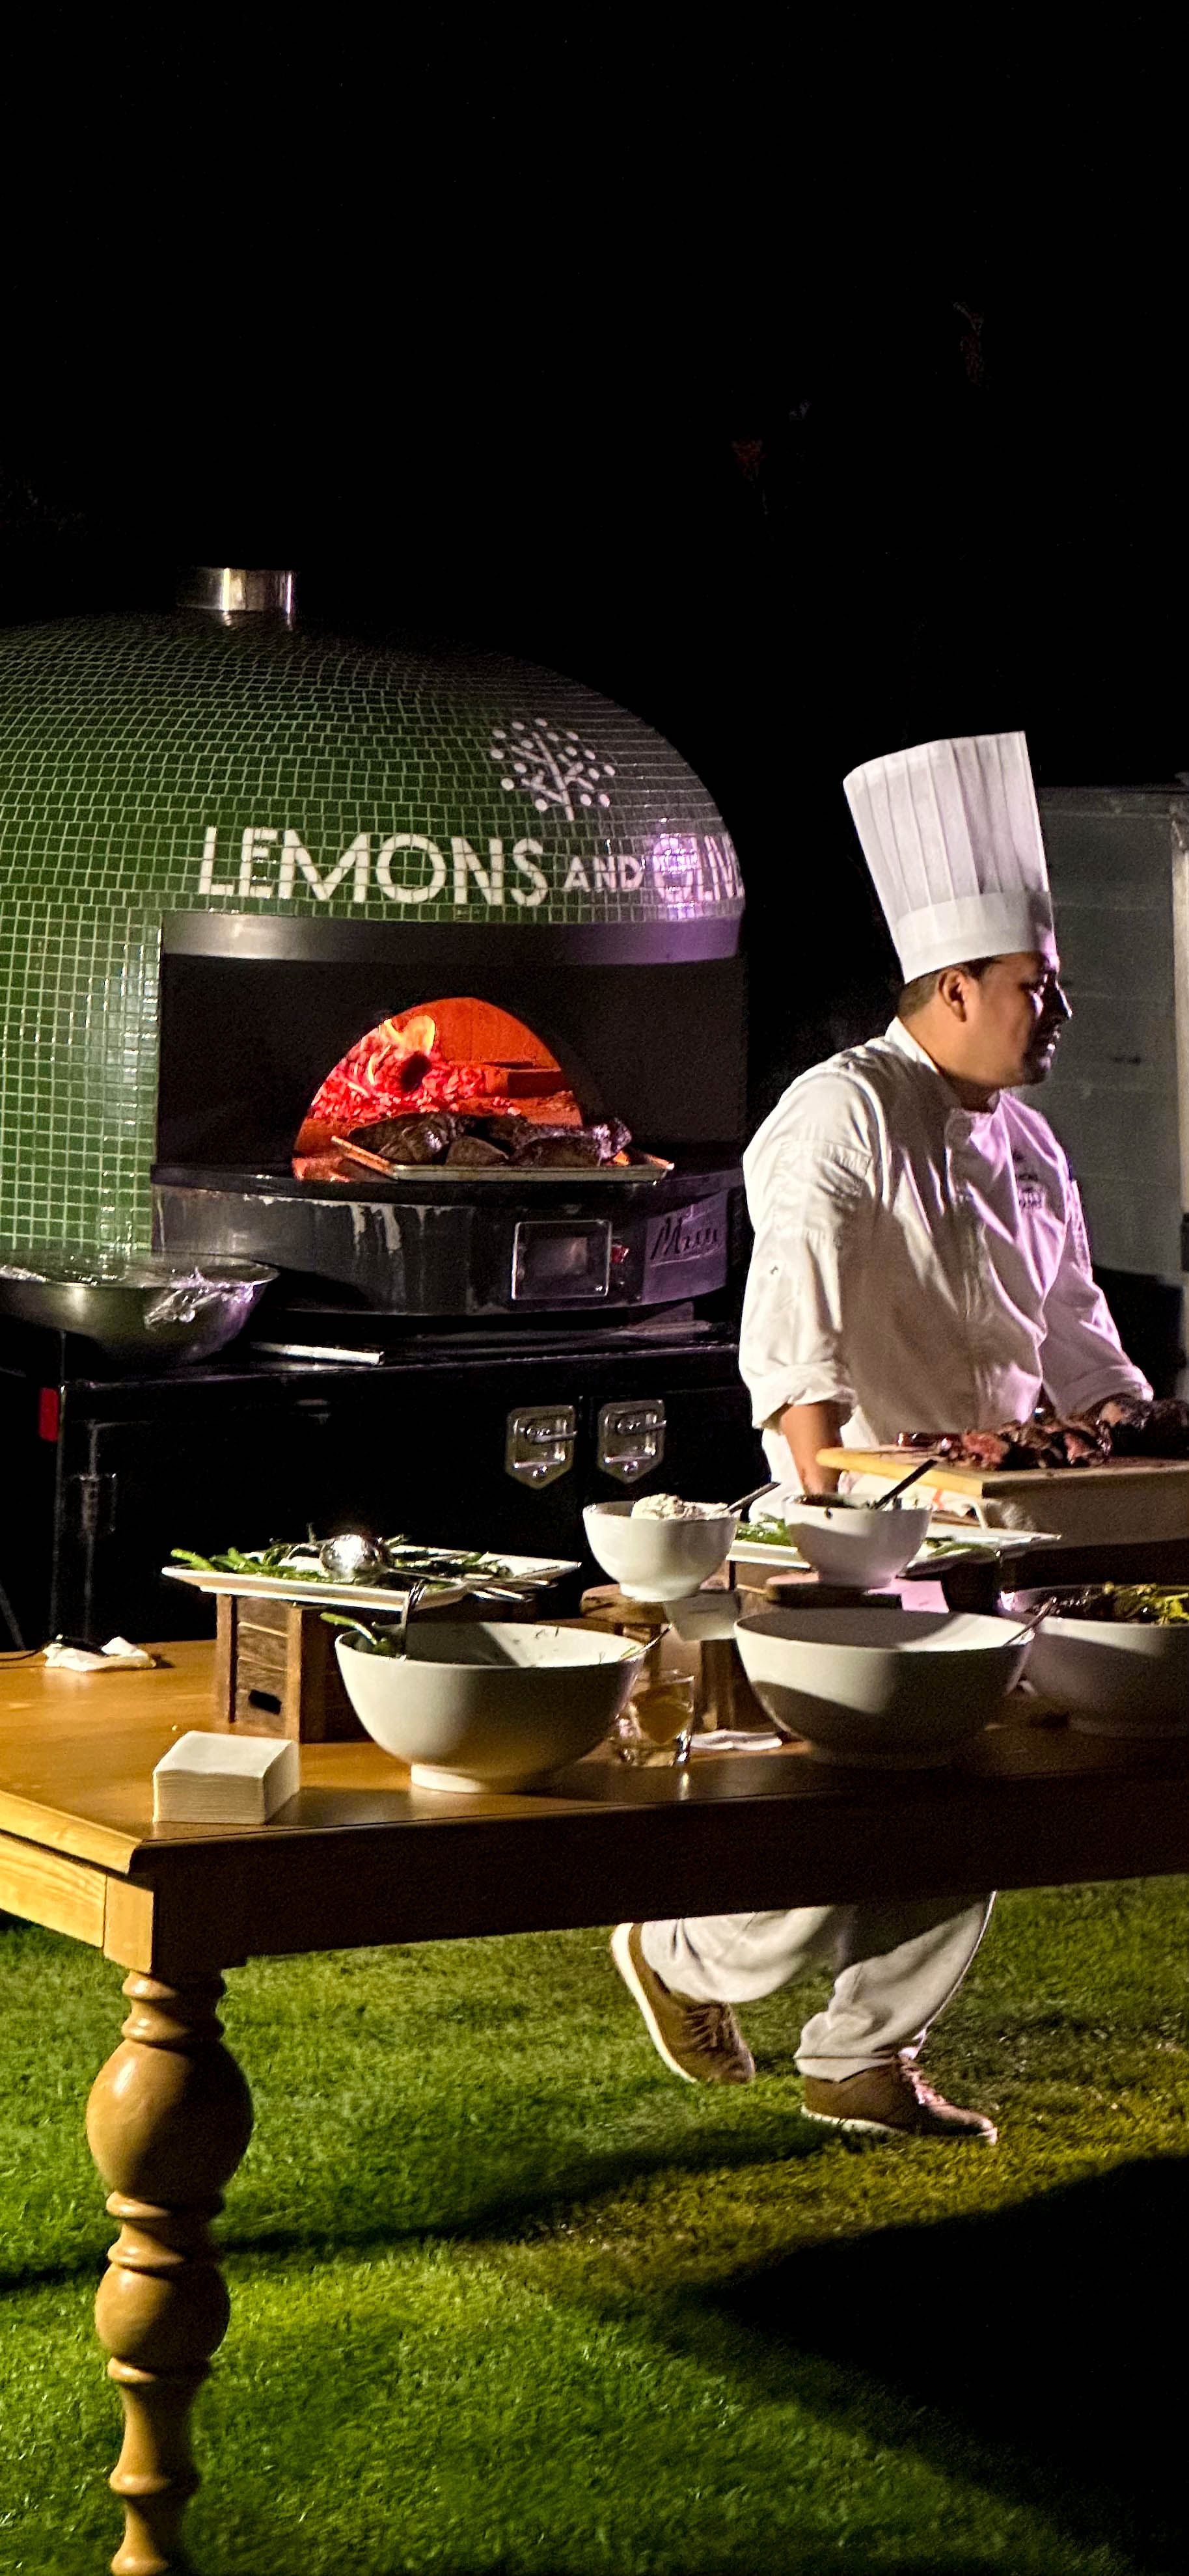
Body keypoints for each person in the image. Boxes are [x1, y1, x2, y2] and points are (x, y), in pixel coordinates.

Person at [612, 729, 1153, 2143]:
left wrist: (1115, 1417)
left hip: (995, 1524)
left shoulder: (1027, 1144)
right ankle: (680, 1952)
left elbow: (1078, 1336)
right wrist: (824, 1508)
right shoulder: (838, 1112)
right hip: (860, 1515)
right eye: (1036, 989)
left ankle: (861, 2057)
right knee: (867, 1797)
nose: (1059, 1012)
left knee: (991, 1788)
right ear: (955, 986)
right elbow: (790, 1325)